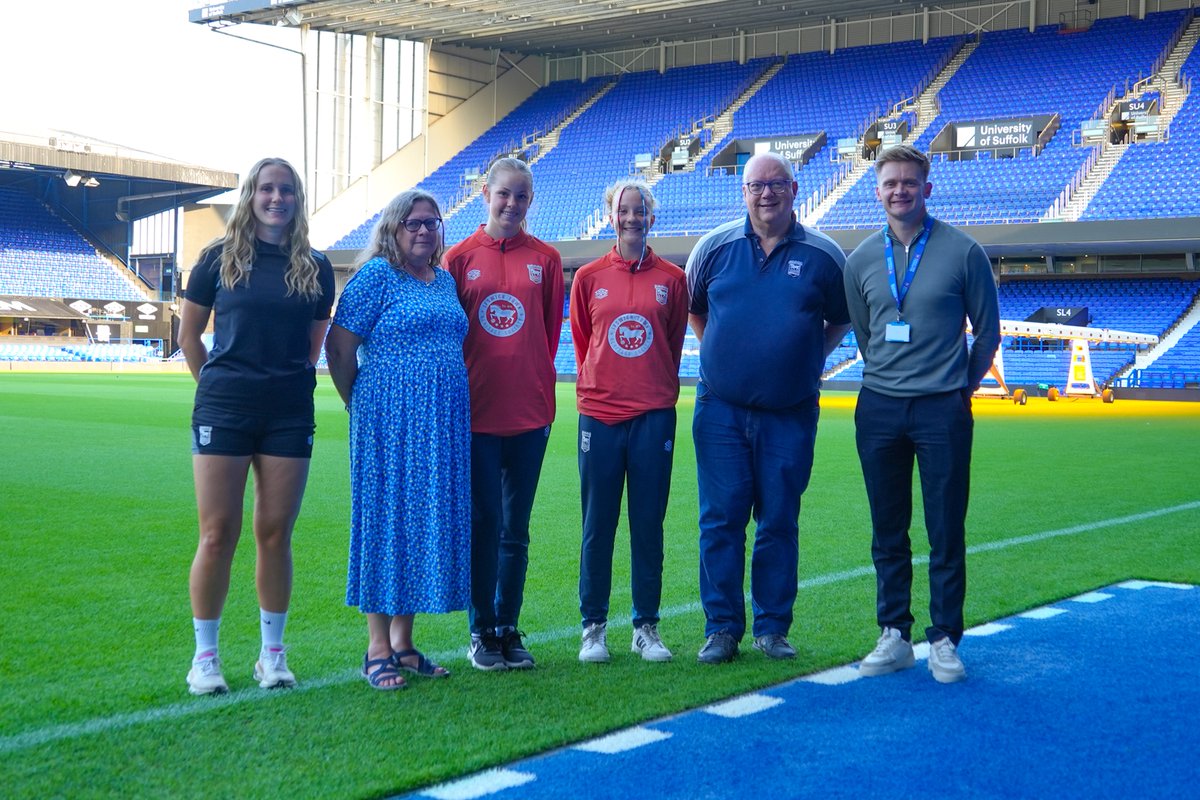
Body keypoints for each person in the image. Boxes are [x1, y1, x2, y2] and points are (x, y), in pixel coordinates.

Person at [686, 152, 851, 664]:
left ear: (795, 189)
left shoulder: (825, 255)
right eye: (756, 185)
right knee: (720, 521)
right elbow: (695, 311)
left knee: (779, 519)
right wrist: (722, 357)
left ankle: (772, 628)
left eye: (776, 184)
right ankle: (722, 628)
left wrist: (804, 362)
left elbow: (840, 321)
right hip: (720, 412)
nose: (766, 194)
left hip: (790, 411)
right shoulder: (713, 248)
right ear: (744, 192)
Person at [178, 157, 335, 695]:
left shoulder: (315, 265)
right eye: (267, 189)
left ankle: (272, 655)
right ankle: (206, 657)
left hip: (289, 413)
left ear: (297, 198)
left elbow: (312, 347)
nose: (277, 198)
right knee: (218, 534)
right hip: (223, 410)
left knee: (275, 533)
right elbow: (189, 337)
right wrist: (218, 389)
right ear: (250, 195)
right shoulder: (216, 260)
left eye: (286, 189)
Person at [844, 144, 1000, 683]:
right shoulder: (861, 258)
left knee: (944, 526)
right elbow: (866, 335)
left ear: (926, 188)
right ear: (878, 189)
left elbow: (988, 333)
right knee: (888, 527)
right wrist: (893, 377)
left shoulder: (963, 251)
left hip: (942, 408)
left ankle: (943, 638)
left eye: (910, 182)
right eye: (890, 182)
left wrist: (960, 387)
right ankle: (894, 633)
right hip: (880, 408)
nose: (899, 190)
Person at [325, 190, 471, 690]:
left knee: (420, 521)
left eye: (432, 222)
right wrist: (360, 405)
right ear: (393, 226)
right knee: (386, 523)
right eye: (413, 222)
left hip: (440, 425)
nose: (424, 230)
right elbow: (339, 349)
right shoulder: (375, 277)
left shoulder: (444, 281)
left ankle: (404, 644)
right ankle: (377, 648)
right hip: (388, 424)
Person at [443, 157, 564, 670]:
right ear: (486, 194)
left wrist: (533, 386)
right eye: (504, 194)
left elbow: (548, 335)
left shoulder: (548, 259)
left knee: (517, 527)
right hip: (475, 416)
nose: (511, 204)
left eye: (521, 196)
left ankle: (508, 626)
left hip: (529, 414)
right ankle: (480, 630)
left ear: (530, 202)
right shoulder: (458, 257)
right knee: (484, 524)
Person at [570, 180, 687, 664]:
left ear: (651, 218)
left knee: (648, 525)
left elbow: (673, 342)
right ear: (610, 217)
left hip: (654, 416)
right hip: (600, 415)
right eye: (625, 210)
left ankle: (646, 627)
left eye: (641, 210)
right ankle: (593, 628)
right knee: (597, 524)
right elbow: (583, 341)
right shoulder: (589, 277)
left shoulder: (673, 278)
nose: (633, 217)